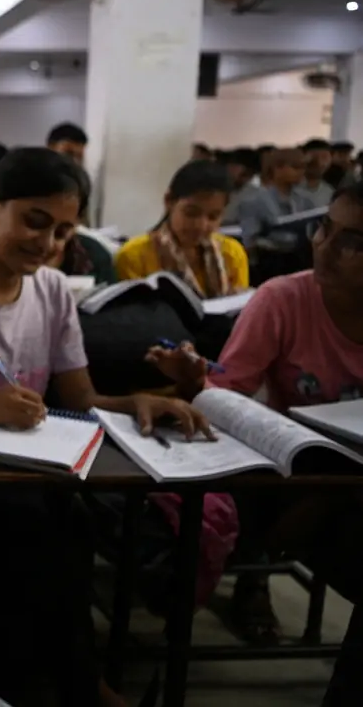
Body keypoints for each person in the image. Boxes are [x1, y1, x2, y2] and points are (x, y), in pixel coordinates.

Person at [0, 147, 209, 706]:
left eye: (63, 231)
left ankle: (21, 683)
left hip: (24, 481)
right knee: (47, 536)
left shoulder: (52, 291)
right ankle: (76, 684)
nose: (47, 243)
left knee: (53, 529)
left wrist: (145, 398)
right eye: (34, 221)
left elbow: (80, 398)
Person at [148, 181, 363, 692]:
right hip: (292, 481)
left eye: (354, 242)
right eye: (324, 229)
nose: (325, 248)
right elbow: (227, 394)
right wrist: (193, 381)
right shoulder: (284, 298)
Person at [115, 161, 250, 297]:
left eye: (213, 217)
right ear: (169, 202)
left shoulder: (232, 254)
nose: (201, 226)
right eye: (191, 213)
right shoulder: (134, 256)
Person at [236, 147, 317, 248]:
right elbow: (250, 240)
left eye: (303, 167)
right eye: (296, 167)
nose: (302, 172)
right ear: (277, 168)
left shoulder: (306, 200)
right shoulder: (254, 201)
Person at [222, 148, 261, 225]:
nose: (228, 169)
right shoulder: (230, 190)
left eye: (233, 166)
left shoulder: (254, 195)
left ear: (248, 171)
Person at [298, 139, 336, 208]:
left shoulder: (329, 192)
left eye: (324, 157)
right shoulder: (289, 187)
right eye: (313, 158)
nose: (319, 163)